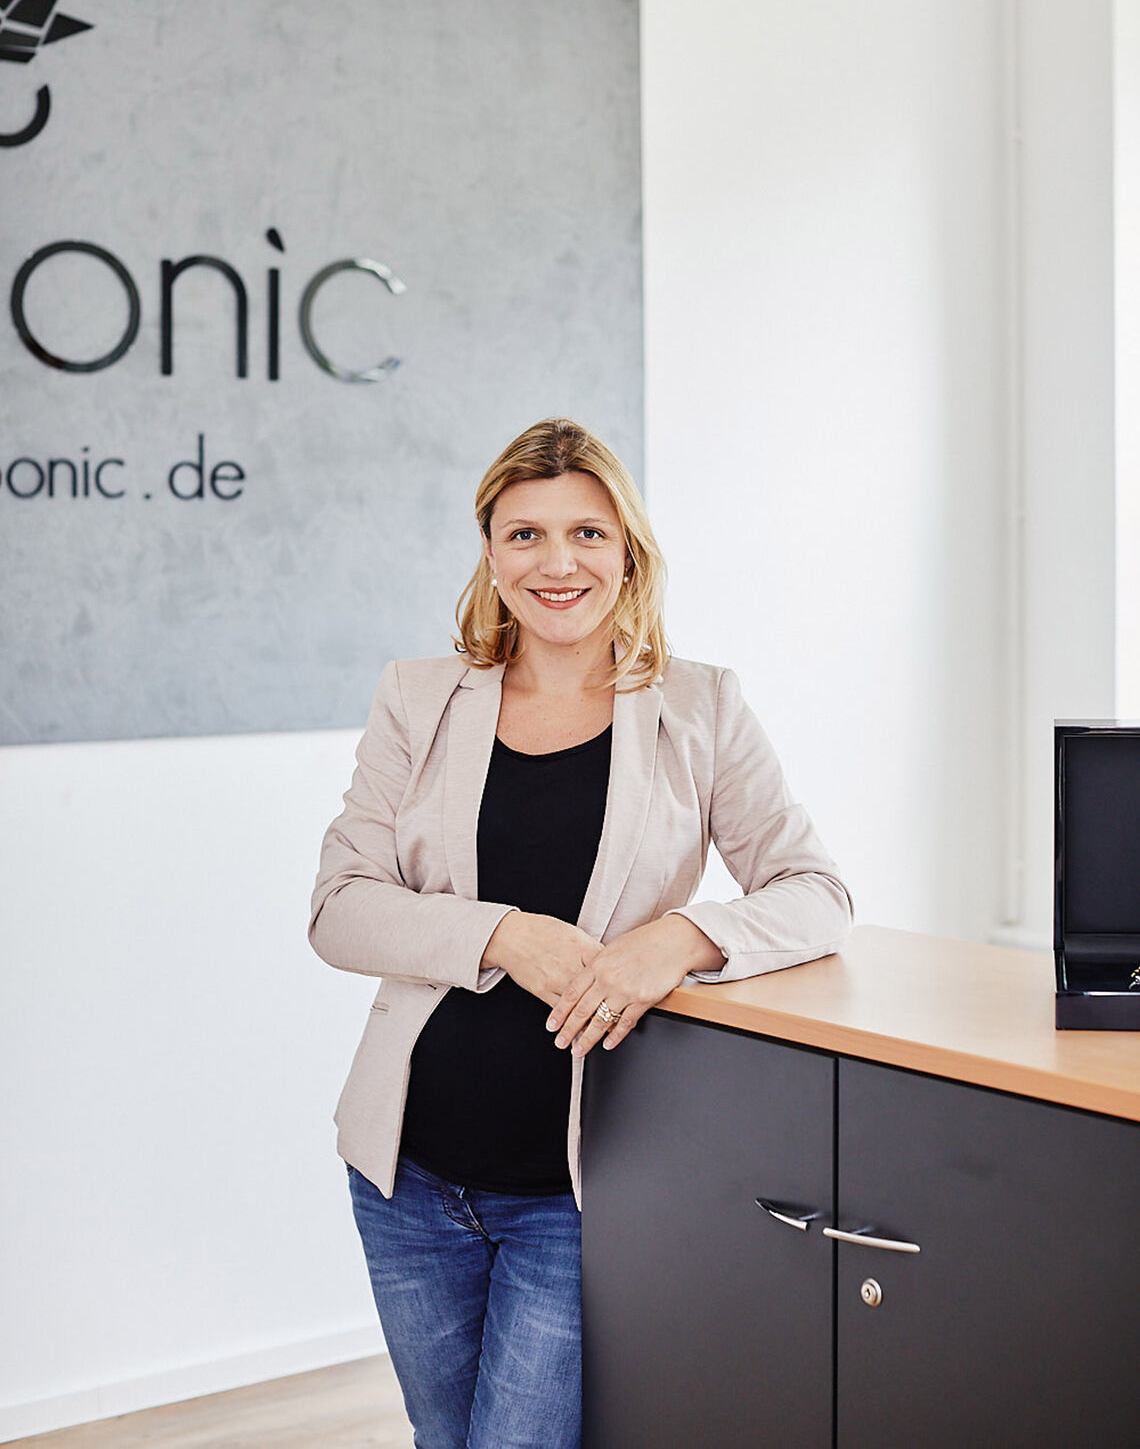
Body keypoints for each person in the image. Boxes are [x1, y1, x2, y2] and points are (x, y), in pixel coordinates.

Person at [310, 417, 851, 1449]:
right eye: (525, 535)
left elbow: (814, 888)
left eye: (588, 534)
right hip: (407, 1177)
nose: (557, 564)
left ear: (630, 550)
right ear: (489, 551)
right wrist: (505, 934)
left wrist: (683, 936)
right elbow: (341, 907)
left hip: (582, 1188)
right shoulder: (417, 699)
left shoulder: (701, 708)